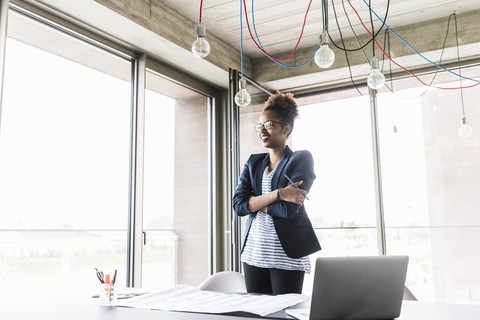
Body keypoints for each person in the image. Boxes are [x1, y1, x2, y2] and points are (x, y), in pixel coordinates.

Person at [232, 92, 321, 295]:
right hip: (254, 253)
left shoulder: (301, 159)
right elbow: (238, 206)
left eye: (269, 124)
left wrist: (254, 202)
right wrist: (279, 193)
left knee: (285, 313)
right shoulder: (253, 163)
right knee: (257, 315)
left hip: (287, 256)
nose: (262, 130)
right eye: (259, 126)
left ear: (286, 128)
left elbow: (289, 209)